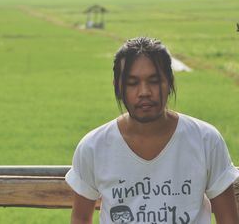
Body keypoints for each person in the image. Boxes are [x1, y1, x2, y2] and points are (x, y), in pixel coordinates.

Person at [65, 37, 239, 224]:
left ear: (170, 82)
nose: (144, 92)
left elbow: (228, 218)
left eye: (154, 81)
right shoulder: (93, 147)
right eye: (132, 83)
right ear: (117, 87)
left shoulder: (205, 140)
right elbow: (80, 218)